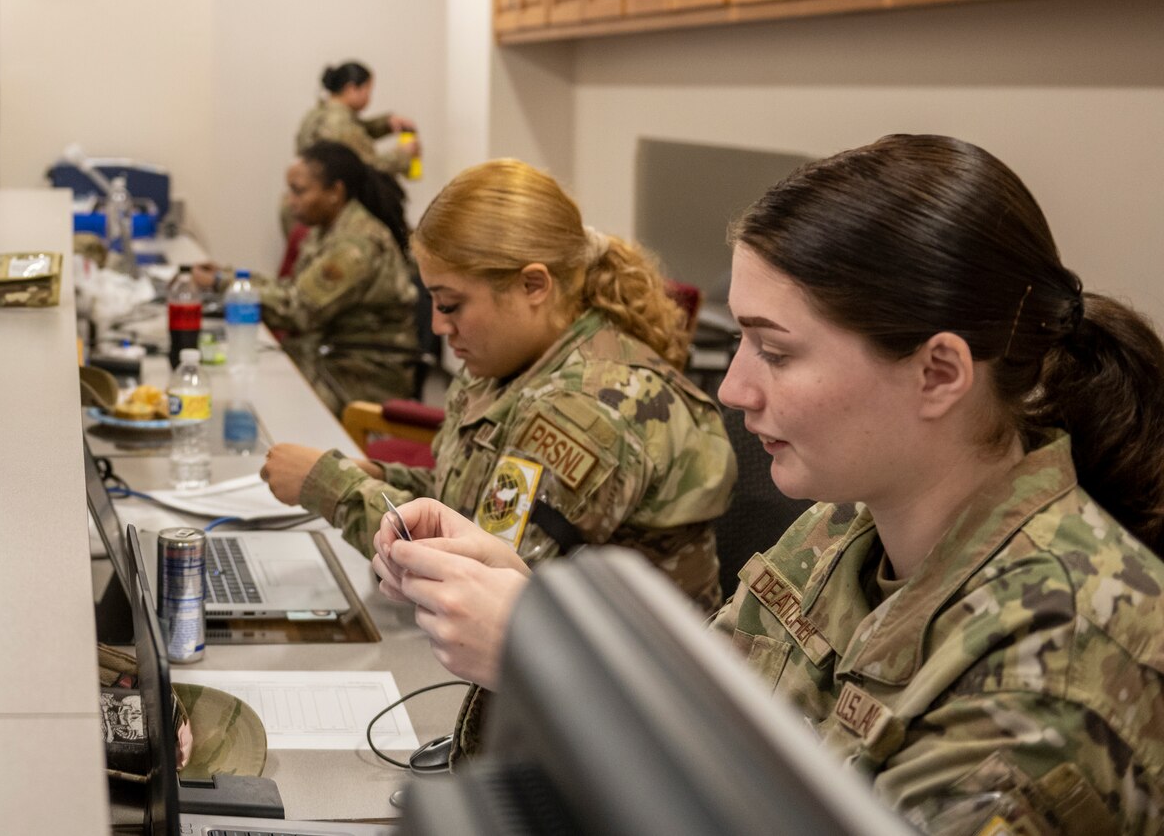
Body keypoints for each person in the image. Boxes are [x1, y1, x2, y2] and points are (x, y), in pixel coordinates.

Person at [373, 136, 1164, 834]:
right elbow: (708, 711)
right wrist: (555, 623)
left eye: (776, 352)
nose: (734, 388)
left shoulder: (1058, 670)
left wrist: (544, 663)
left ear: (939, 371)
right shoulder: (844, 528)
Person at [260, 159, 735, 609]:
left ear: (533, 286)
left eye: (449, 304)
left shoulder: (585, 410)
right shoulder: (514, 360)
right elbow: (480, 502)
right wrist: (383, 480)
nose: (439, 326)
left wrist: (330, 486)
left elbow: (481, 585)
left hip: (619, 682)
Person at [202, 142, 420, 413]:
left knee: (260, 399)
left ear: (334, 193)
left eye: (299, 191)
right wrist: (231, 278)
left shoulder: (355, 244)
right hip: (328, 353)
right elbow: (295, 289)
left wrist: (222, 284)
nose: (290, 201)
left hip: (360, 372)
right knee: (234, 376)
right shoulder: (325, 229)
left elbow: (298, 309)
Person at [296, 60, 418, 178]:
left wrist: (386, 123)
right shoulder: (340, 123)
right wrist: (403, 153)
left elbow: (357, 130)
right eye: (368, 91)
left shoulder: (318, 114)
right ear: (351, 89)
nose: (369, 98)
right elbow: (371, 168)